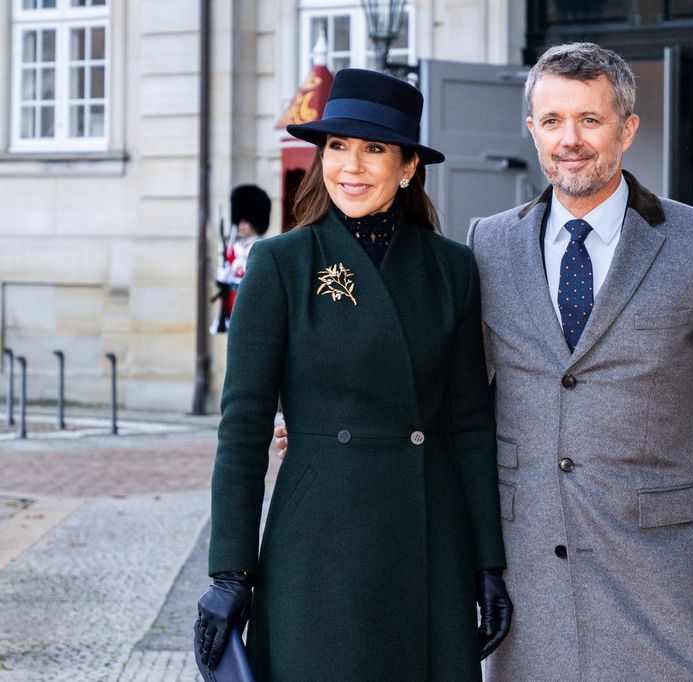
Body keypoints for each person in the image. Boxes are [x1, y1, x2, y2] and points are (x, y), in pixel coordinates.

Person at [277, 43, 693, 680]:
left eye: (590, 120)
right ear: (531, 129)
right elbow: (449, 390)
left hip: (662, 571)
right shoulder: (490, 241)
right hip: (525, 568)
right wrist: (338, 418)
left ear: (627, 128)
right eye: (553, 120)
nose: (571, 139)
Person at [195, 68, 512, 682]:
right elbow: (243, 428)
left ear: (408, 166)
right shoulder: (281, 263)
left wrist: (486, 564)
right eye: (337, 146)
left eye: (375, 149)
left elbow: (472, 424)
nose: (352, 166)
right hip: (318, 545)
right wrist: (230, 569)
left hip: (429, 542)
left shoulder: (453, 268)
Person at [211, 184, 272, 334]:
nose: (241, 225)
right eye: (240, 221)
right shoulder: (233, 248)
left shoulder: (262, 246)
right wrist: (222, 275)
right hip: (233, 297)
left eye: (246, 222)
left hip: (252, 296)